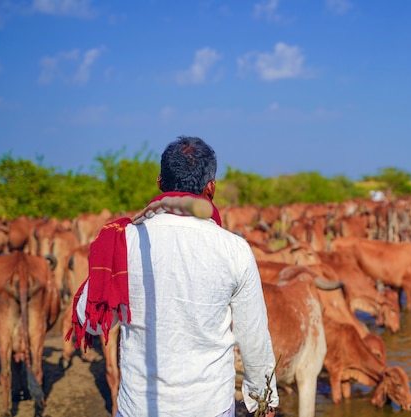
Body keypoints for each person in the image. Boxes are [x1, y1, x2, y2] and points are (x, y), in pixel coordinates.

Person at [69, 136, 279, 417]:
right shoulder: (235, 249)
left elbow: (90, 322)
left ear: (159, 182)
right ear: (211, 188)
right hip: (211, 407)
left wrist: (108, 255)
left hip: (138, 408)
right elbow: (253, 337)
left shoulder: (124, 243)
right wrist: (262, 399)